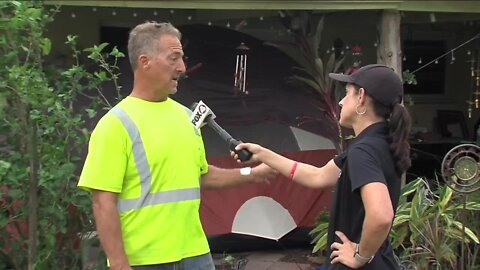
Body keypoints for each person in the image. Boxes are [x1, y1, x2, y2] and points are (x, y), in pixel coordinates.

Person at [78, 21, 277, 270]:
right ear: (145, 61)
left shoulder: (186, 118)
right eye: (174, 58)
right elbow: (102, 202)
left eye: (182, 58)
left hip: (195, 254)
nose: (182, 68)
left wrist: (251, 174)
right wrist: (119, 264)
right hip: (144, 261)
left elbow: (197, 176)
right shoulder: (115, 125)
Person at [234, 64, 412, 269]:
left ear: (361, 97)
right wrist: (262, 154)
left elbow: (381, 215)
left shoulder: (363, 152)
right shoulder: (379, 142)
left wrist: (360, 256)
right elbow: (317, 176)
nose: (341, 102)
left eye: (347, 94)